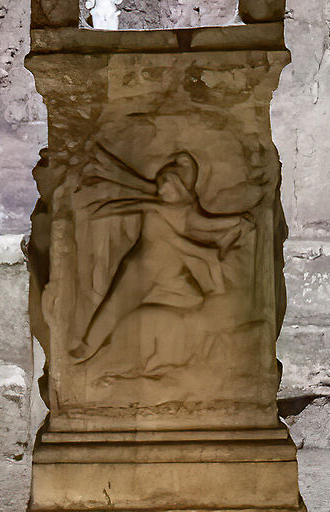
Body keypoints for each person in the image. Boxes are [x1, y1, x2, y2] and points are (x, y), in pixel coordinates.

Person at [70, 147, 254, 366]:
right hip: (140, 272)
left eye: (165, 184)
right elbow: (181, 242)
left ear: (180, 189)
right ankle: (88, 346)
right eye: (159, 184)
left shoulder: (185, 208)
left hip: (170, 276)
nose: (160, 189)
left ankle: (185, 358)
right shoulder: (157, 210)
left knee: (197, 305)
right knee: (113, 307)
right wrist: (212, 254)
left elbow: (204, 224)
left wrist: (236, 222)